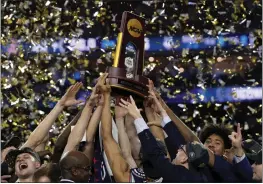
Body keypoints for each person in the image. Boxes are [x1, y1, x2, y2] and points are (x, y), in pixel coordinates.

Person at [119, 95, 212, 182]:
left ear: (184, 158)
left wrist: (137, 116)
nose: (178, 149)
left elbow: (154, 153)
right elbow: (179, 141)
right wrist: (162, 113)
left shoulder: (179, 176)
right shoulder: (199, 173)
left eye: (181, 149)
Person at [97, 73, 146, 182]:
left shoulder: (134, 179)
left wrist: (106, 96)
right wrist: (119, 119)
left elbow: (107, 138)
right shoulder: (169, 176)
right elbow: (127, 155)